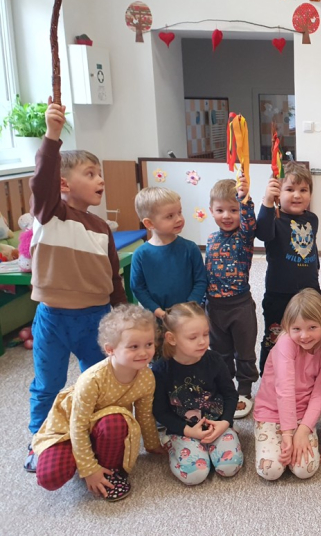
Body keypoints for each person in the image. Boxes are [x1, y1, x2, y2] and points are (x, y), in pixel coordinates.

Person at [25, 99, 127, 472]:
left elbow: (114, 277)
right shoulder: (50, 213)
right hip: (53, 317)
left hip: (96, 318)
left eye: (100, 173)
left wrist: (122, 315)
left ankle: (96, 436)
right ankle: (39, 441)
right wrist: (52, 135)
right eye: (91, 173)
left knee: (97, 380)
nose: (101, 180)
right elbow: (41, 180)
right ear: (64, 183)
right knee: (47, 384)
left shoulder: (102, 229)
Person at [32, 305, 162, 501]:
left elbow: (144, 415)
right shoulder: (92, 380)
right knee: (50, 477)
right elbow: (78, 425)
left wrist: (153, 445)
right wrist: (88, 468)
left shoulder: (146, 377)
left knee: (115, 421)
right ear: (110, 349)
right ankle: (81, 457)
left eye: (149, 344)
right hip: (68, 430)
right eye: (134, 347)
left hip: (105, 427)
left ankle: (107, 469)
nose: (144, 352)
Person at [152, 302, 243, 485]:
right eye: (193, 337)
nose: (202, 341)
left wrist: (225, 422)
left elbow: (230, 394)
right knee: (195, 475)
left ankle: (222, 439)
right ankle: (173, 444)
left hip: (216, 425)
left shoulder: (214, 360)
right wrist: (188, 431)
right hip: (183, 430)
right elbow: (160, 411)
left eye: (205, 334)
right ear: (171, 338)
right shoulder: (161, 369)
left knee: (229, 467)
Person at [254, 289, 321, 481]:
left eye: (312, 327)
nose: (304, 336)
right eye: (296, 329)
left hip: (302, 415)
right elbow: (284, 390)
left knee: (305, 470)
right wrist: (287, 434)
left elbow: (319, 395)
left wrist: (303, 430)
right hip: (271, 412)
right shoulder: (285, 343)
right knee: (270, 471)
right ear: (287, 327)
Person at [256, 162, 321, 373]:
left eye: (303, 190)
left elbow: (312, 247)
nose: (297, 195)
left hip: (310, 292)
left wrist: (316, 267)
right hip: (279, 294)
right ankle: (269, 375)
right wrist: (267, 201)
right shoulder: (274, 219)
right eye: (290, 189)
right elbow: (262, 233)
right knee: (274, 337)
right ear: (278, 193)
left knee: (309, 337)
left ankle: (305, 373)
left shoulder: (312, 219)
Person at [205, 177, 259, 419]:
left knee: (244, 351)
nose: (226, 216)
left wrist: (245, 200)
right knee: (220, 352)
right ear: (211, 211)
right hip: (215, 307)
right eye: (220, 210)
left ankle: (244, 390)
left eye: (233, 210)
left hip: (240, 306)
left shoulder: (244, 237)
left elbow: (249, 223)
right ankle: (226, 388)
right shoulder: (210, 240)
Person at [131, 187, 207, 324]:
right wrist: (157, 311)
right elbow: (138, 288)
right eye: (170, 216)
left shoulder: (190, 248)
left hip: (189, 317)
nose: (179, 219)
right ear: (149, 223)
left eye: (180, 212)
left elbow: (201, 281)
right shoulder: (141, 254)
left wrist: (189, 307)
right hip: (156, 319)